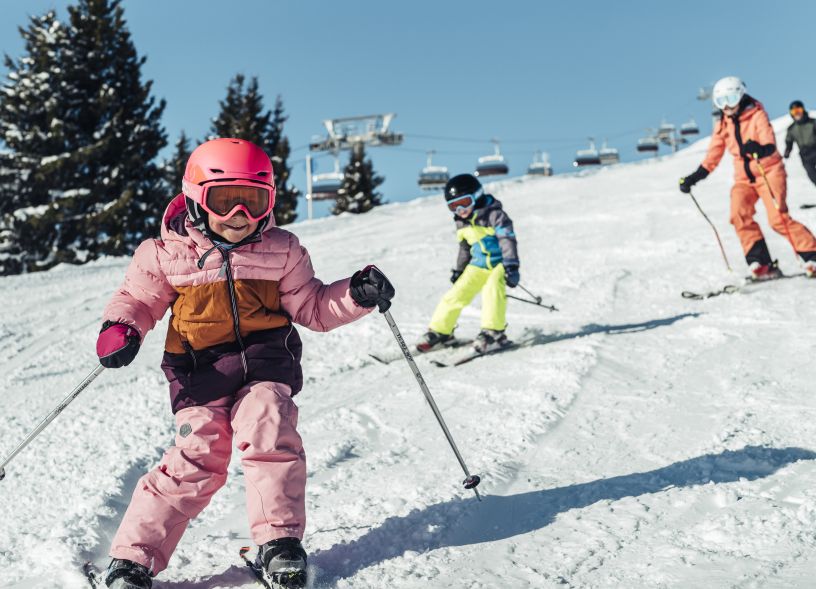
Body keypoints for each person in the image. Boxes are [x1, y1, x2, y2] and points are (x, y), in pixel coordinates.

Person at [94, 138, 395, 589]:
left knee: (270, 425)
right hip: (201, 371)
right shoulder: (165, 254)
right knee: (197, 456)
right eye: (225, 201)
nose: (240, 216)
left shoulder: (283, 250)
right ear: (196, 198)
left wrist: (354, 295)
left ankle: (279, 542)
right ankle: (133, 560)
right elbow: (138, 298)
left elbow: (312, 307)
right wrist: (123, 328)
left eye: (254, 203)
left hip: (266, 364)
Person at [679, 76, 816, 279]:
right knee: (738, 214)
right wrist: (694, 177)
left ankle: (811, 255)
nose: (727, 106)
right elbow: (713, 155)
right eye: (721, 101)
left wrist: (759, 148)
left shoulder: (756, 114)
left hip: (768, 171)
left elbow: (769, 143)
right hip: (744, 178)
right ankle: (760, 262)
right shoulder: (723, 124)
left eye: (731, 99)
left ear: (741, 96)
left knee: (777, 218)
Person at [416, 174, 520, 354]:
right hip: (478, 265)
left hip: (499, 263)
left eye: (464, 202)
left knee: (492, 290)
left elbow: (507, 239)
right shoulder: (461, 223)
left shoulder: (495, 215)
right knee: (455, 294)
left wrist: (511, 265)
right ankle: (441, 331)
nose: (460, 210)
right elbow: (464, 248)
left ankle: (493, 332)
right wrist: (459, 270)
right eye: (453, 206)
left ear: (477, 195)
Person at [784, 100, 816, 187]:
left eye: (799, 110)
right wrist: (787, 151)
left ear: (803, 110)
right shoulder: (791, 128)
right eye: (794, 112)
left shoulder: (813, 123)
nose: (797, 114)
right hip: (805, 155)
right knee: (813, 176)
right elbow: (789, 141)